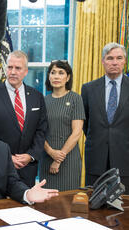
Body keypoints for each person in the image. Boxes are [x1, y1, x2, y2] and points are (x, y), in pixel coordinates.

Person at [81, 42, 129, 195]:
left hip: (125, 155)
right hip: (96, 156)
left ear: (124, 61)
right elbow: (86, 122)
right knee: (94, 206)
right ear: (103, 61)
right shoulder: (88, 89)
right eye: (110, 58)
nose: (114, 62)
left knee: (125, 207)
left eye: (119, 58)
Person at [0, 51, 48, 188]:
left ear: (26, 71)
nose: (13, 72)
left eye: (18, 68)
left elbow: (41, 130)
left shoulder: (37, 96)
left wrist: (31, 155)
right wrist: (6, 157)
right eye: (10, 67)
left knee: (26, 207)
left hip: (28, 168)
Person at [39, 60, 85, 191]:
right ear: (49, 76)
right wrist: (51, 152)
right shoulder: (43, 100)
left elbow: (77, 132)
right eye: (53, 73)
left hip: (69, 159)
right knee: (45, 202)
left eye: (61, 73)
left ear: (68, 77)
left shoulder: (76, 99)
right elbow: (39, 132)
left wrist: (58, 159)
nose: (56, 76)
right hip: (47, 157)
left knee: (67, 203)